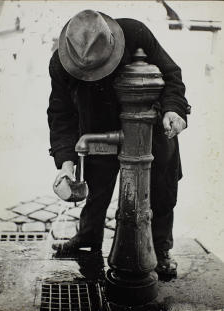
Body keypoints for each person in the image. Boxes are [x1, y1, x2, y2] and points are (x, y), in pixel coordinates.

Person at [47, 10, 190, 277]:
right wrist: (66, 163)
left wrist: (173, 110)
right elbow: (60, 114)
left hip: (150, 125)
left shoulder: (136, 34)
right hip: (97, 126)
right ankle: (88, 237)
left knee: (161, 189)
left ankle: (160, 248)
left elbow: (172, 75)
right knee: (96, 187)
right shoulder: (61, 63)